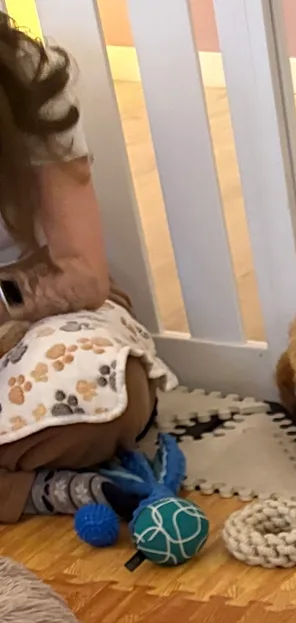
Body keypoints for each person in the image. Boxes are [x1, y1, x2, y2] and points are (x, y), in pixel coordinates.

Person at [0, 21, 170, 522]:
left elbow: (82, 274)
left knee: (104, 394)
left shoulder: (29, 79)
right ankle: (30, 490)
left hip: (28, 301)